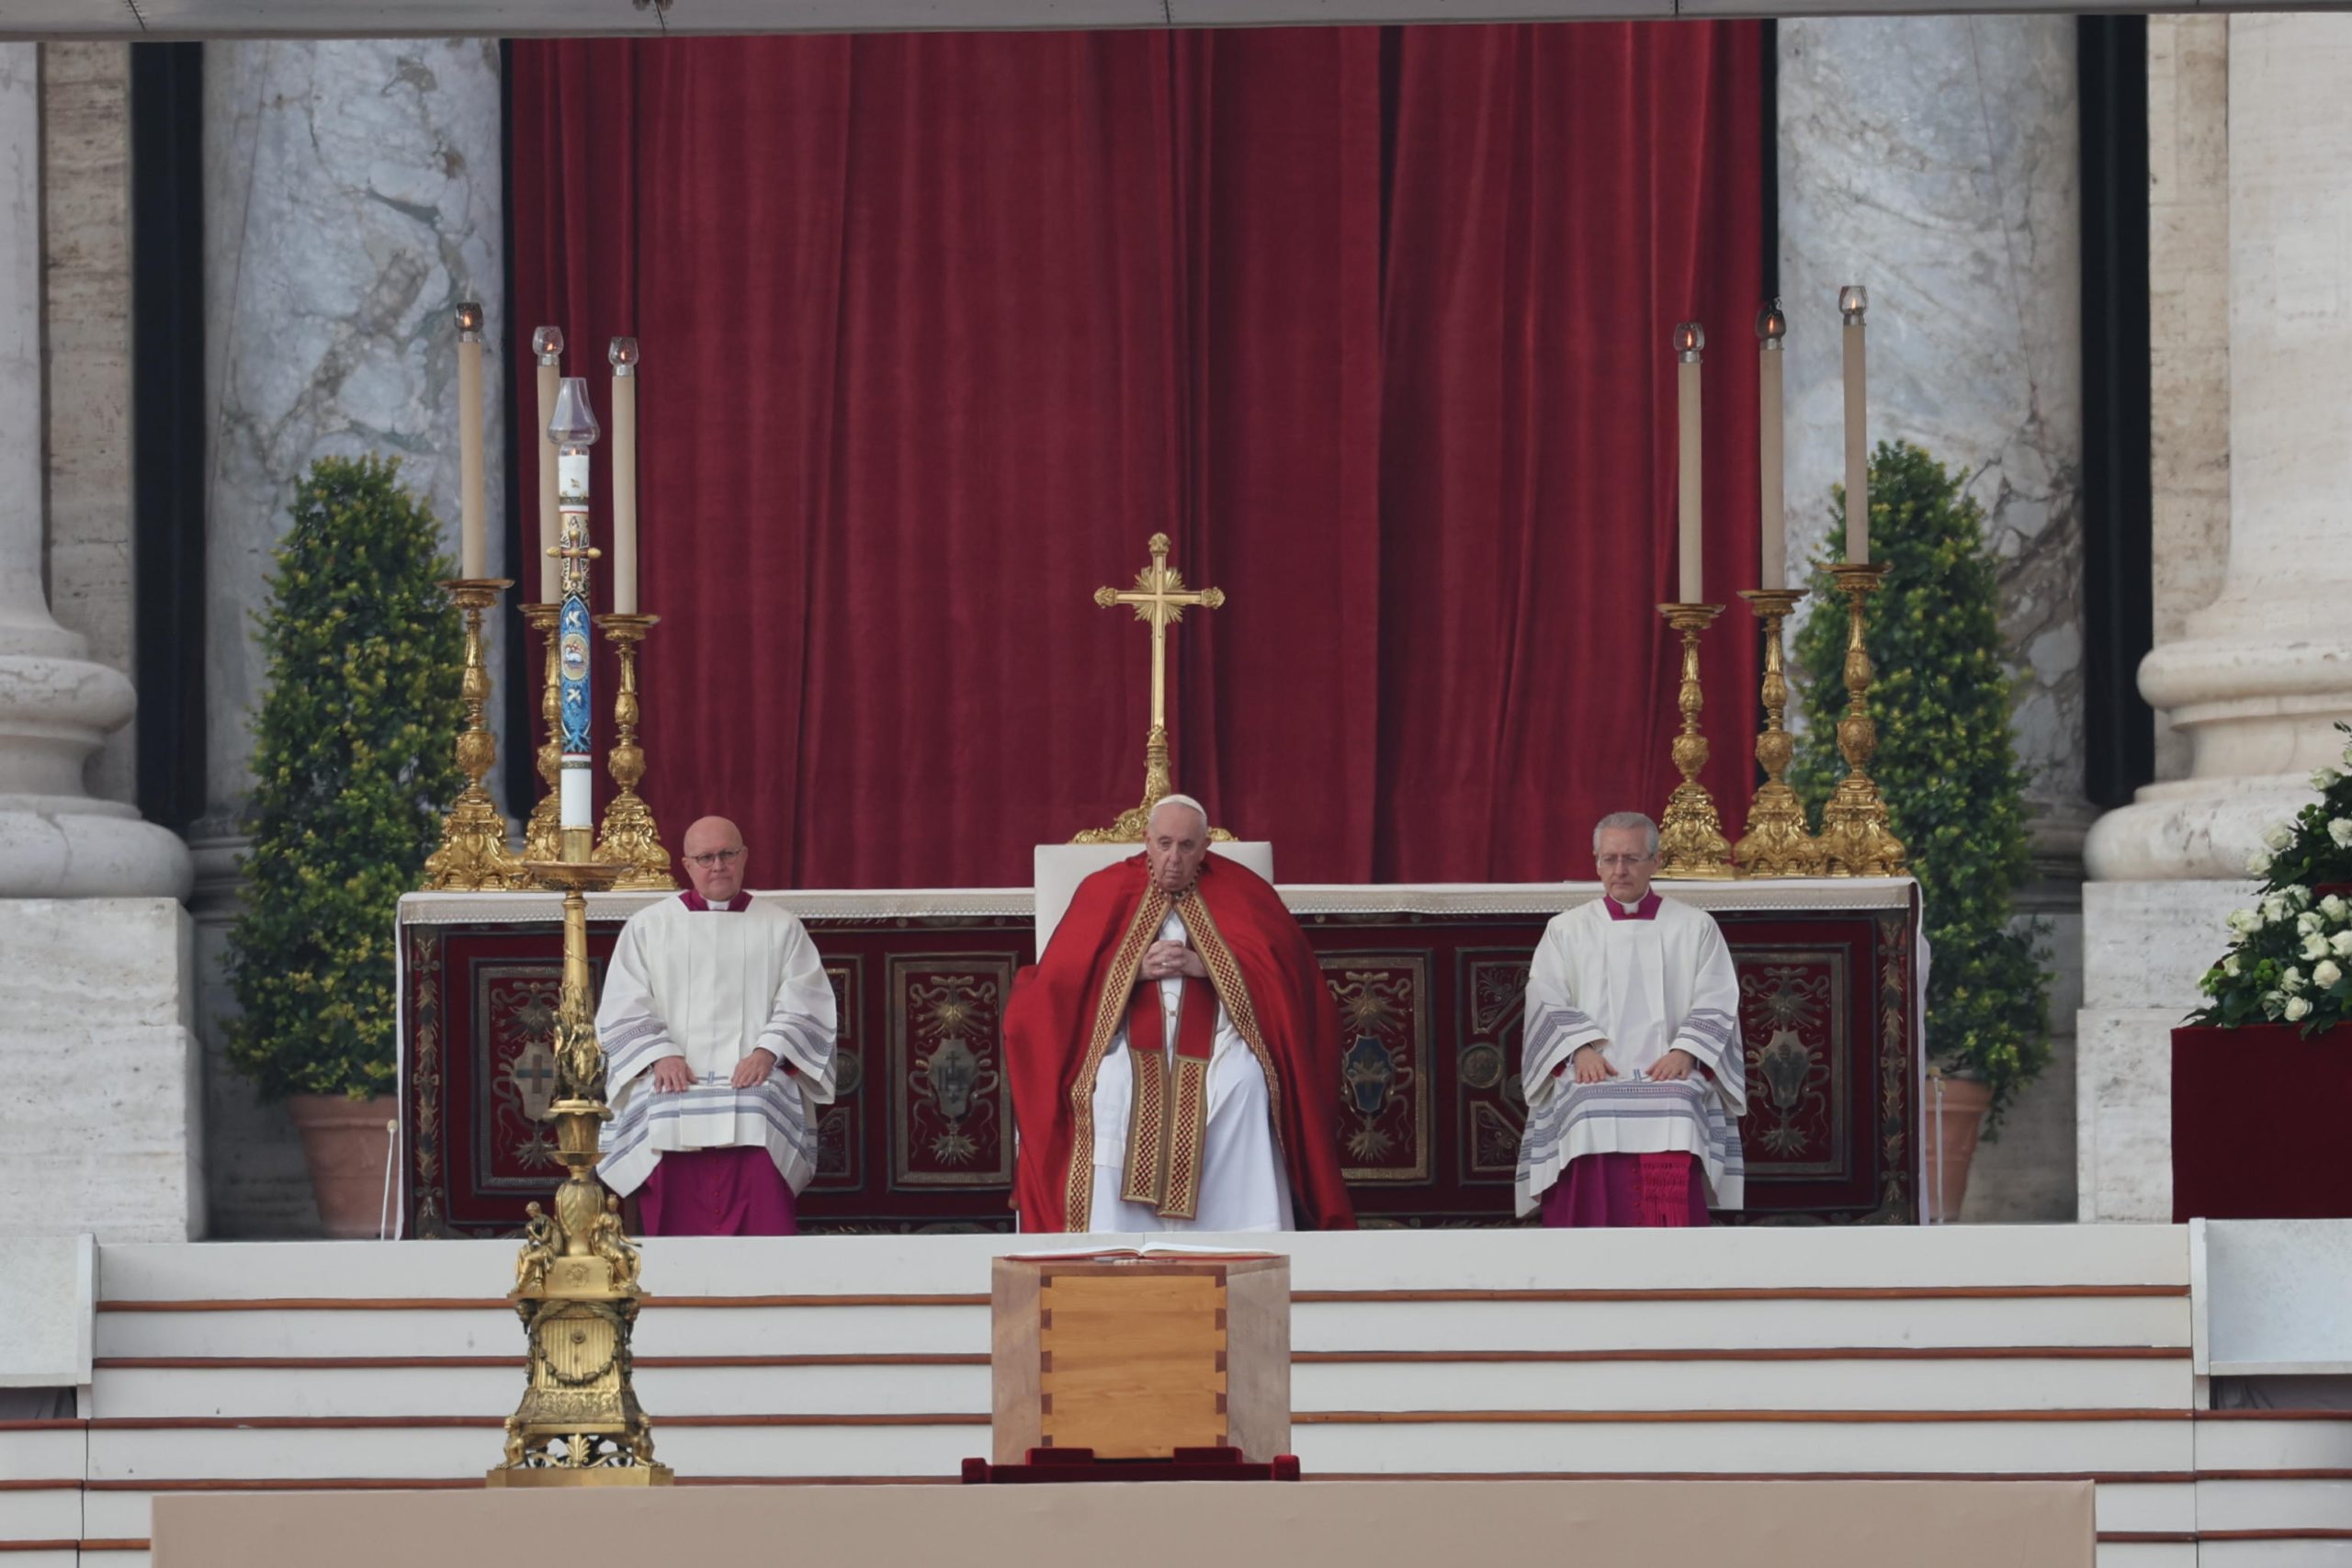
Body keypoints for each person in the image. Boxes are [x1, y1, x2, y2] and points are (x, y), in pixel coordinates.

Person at [1005, 795, 1355, 1233]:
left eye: (1186, 846)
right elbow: (1058, 985)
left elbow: (1289, 982)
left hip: (1222, 1035)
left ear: (1206, 846)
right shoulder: (1104, 889)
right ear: (1146, 841)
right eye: (1164, 843)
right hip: (1123, 1036)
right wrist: (1130, 970)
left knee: (1245, 1084)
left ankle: (1243, 1235)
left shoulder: (1244, 892)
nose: (1173, 859)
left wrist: (1209, 967)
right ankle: (1117, 1239)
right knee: (1112, 1088)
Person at [595, 816, 837, 1235]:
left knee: (761, 1108)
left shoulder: (781, 926)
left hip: (753, 1074)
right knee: (660, 1110)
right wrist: (660, 1054)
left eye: (727, 854)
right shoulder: (649, 926)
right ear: (686, 865)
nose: (718, 866)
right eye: (706, 857)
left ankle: (767, 1261)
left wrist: (768, 1051)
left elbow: (806, 999)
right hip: (672, 1074)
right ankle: (668, 1266)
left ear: (744, 857)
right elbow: (623, 1001)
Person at [1514, 811, 1746, 1226]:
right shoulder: (1567, 930)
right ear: (1596, 861)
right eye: (1609, 859)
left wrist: (1687, 1052)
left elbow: (1718, 995)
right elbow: (1545, 994)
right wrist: (1580, 1050)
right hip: (1592, 1069)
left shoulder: (1695, 927)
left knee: (1678, 1103)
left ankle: (1668, 1238)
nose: (1619, 870)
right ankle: (1585, 1236)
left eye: (1632, 859)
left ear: (1655, 862)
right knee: (1584, 1107)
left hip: (1669, 1069)